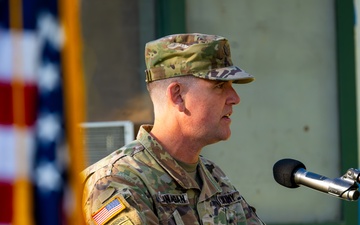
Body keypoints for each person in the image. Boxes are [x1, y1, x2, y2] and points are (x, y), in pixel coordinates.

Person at [81, 33, 265, 225]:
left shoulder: (214, 177)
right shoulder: (117, 181)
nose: (235, 98)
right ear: (178, 95)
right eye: (219, 86)